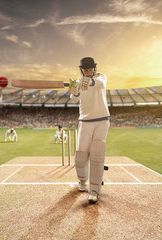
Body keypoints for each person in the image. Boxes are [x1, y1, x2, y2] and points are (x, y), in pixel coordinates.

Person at [69, 57, 110, 203]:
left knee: (97, 154)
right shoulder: (77, 82)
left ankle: (94, 190)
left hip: (102, 120)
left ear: (94, 68)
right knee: (81, 155)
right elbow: (73, 99)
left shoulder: (101, 77)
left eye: (90, 69)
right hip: (85, 121)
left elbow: (99, 84)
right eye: (85, 69)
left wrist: (86, 82)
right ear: (81, 70)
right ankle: (82, 181)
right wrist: (74, 89)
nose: (88, 71)